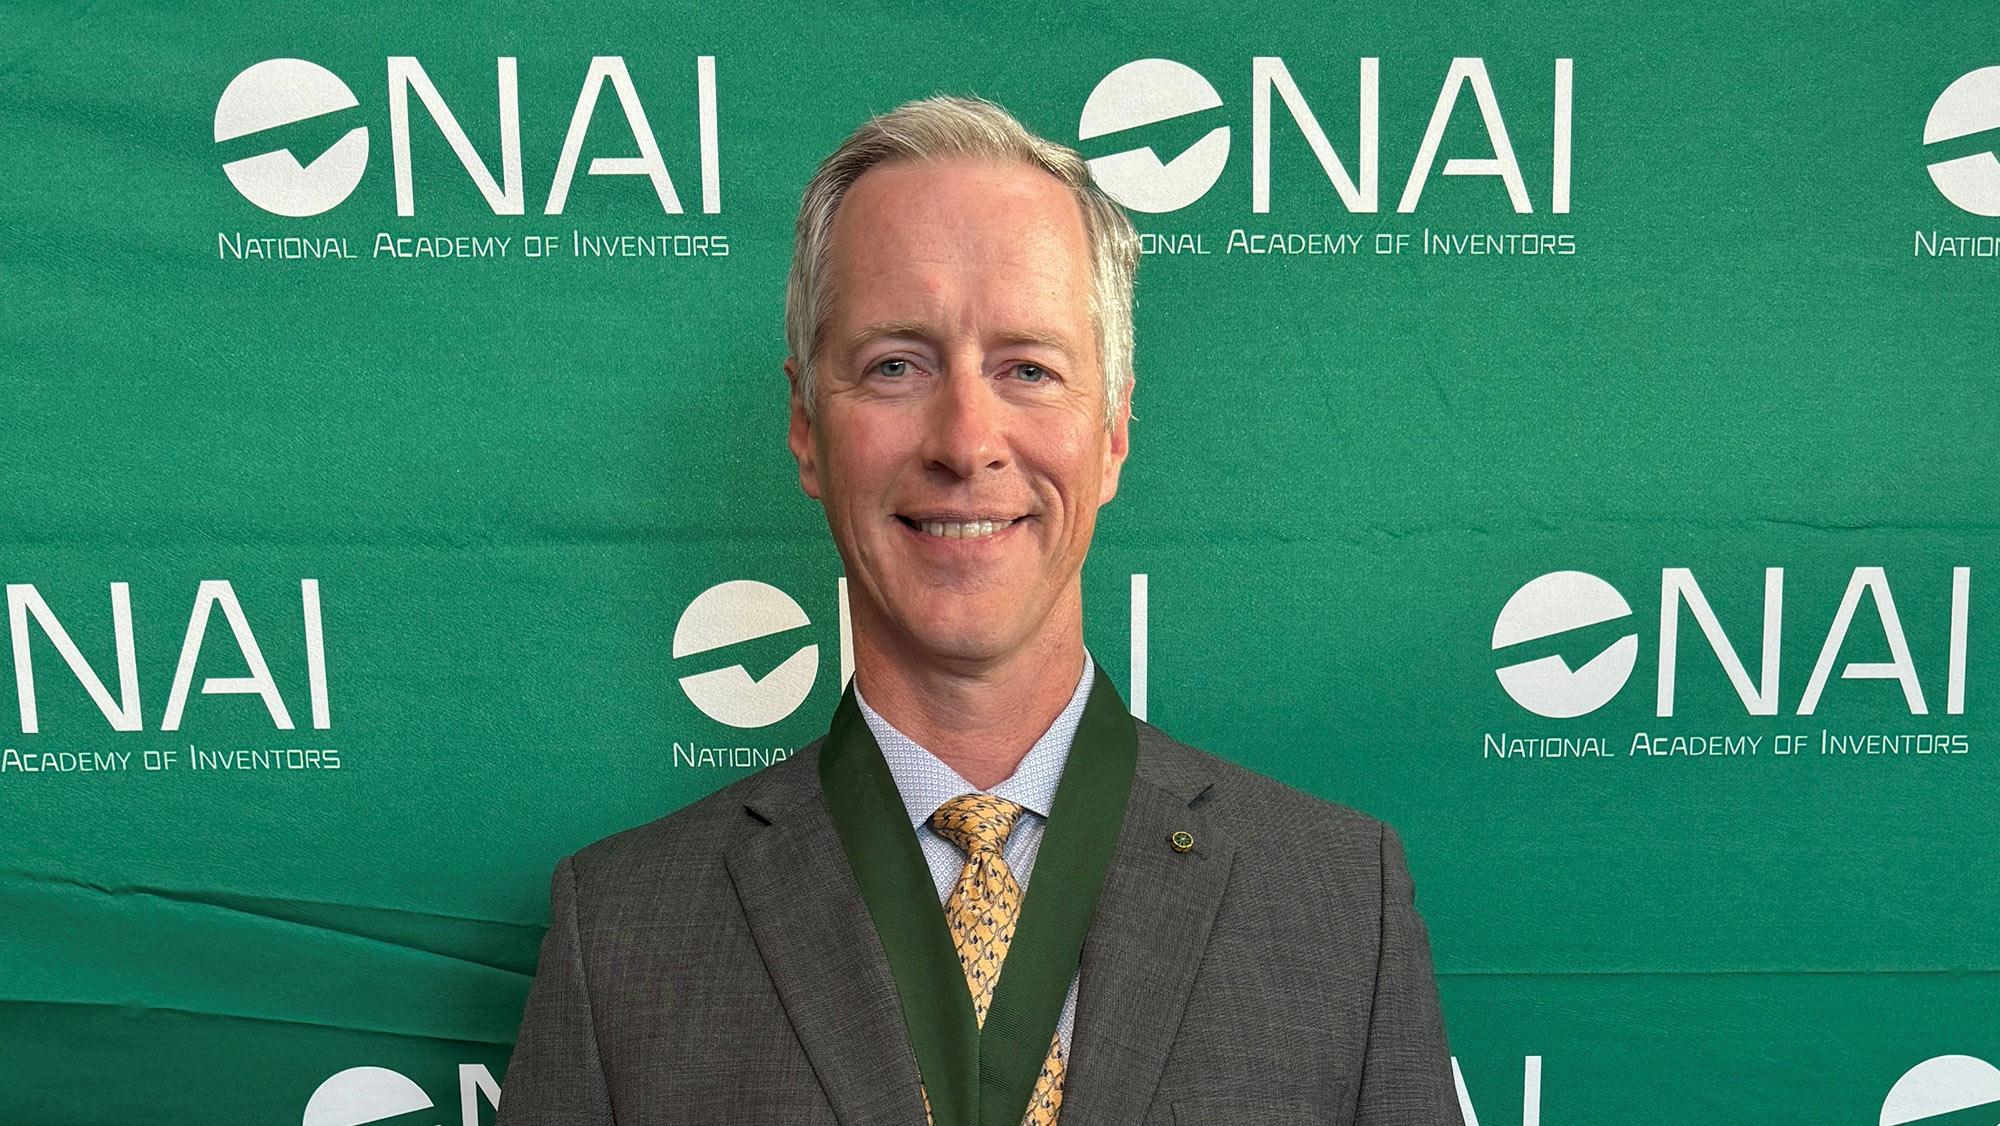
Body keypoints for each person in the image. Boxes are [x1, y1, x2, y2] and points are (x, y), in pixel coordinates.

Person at [495, 96, 1463, 1126]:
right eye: (894, 365)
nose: (965, 440)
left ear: (1113, 430)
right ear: (805, 428)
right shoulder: (622, 932)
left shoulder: (1337, 902)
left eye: (1028, 369)